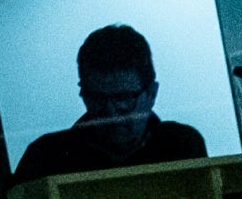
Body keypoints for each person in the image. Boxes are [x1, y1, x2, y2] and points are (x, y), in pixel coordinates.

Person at [11, 25, 209, 184]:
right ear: (84, 94)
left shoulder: (182, 145)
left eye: (123, 99)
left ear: (152, 94)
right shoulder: (45, 157)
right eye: (97, 99)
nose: (111, 114)